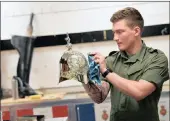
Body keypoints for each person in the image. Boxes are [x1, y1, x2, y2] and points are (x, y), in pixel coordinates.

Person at [83, 7, 169, 121]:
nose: (115, 38)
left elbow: (139, 91)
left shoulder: (156, 58)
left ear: (136, 31)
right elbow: (99, 97)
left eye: (120, 32)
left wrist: (106, 72)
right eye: (114, 33)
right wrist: (84, 76)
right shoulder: (111, 60)